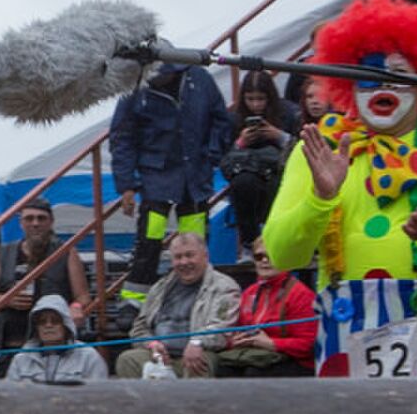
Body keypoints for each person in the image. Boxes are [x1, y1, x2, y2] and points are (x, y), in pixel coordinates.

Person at [264, 0, 417, 377]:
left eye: (397, 72)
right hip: (349, 336)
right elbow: (283, 254)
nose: (382, 84)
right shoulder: (319, 147)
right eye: (368, 73)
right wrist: (319, 199)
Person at [109, 56, 231, 306]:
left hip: (194, 177)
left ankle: (196, 295)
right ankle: (135, 301)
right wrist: (127, 185)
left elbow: (221, 119)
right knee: (149, 241)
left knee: (194, 242)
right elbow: (122, 138)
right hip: (156, 178)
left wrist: (211, 155)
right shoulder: (134, 87)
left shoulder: (200, 79)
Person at [111, 232, 240, 379]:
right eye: (178, 257)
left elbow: (223, 327)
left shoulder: (224, 286)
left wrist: (197, 342)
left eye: (190, 255)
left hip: (199, 352)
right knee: (127, 359)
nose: (184, 262)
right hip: (160, 357)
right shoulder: (159, 288)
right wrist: (151, 344)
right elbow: (139, 327)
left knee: (198, 362)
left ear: (205, 256)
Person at [0, 200, 89, 370]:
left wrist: (76, 307)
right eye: (29, 219)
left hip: (52, 343)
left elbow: (82, 296)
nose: (35, 224)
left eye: (41, 218)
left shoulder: (66, 252)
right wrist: (8, 300)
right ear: (21, 223)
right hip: (11, 343)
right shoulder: (4, 253)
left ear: (51, 222)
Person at [207, 240, 318, 378]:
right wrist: (233, 341)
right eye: (259, 257)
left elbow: (308, 345)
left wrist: (270, 343)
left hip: (294, 361)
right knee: (222, 368)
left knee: (254, 374)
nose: (264, 260)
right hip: (255, 356)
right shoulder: (249, 292)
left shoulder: (301, 295)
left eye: (271, 255)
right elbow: (235, 330)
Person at [221, 70, 293, 259]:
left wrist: (279, 137)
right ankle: (249, 244)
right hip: (248, 178)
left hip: (280, 174)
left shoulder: (288, 113)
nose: (255, 105)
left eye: (261, 99)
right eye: (250, 99)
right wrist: (240, 143)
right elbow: (224, 162)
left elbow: (300, 150)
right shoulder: (234, 119)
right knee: (243, 184)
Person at [4, 295, 110, 384]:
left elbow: (100, 394)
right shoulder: (21, 359)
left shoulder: (88, 356)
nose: (48, 325)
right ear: (35, 327)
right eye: (42, 321)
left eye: (55, 321)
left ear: (66, 325)